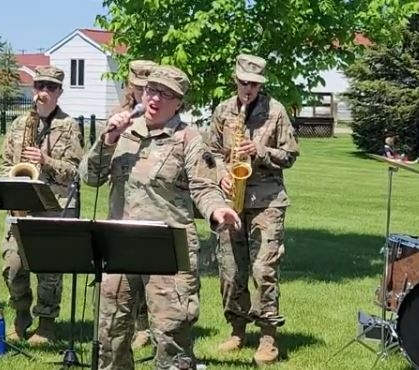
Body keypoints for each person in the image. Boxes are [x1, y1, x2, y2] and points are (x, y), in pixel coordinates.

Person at [80, 65, 241, 370]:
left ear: (179, 102)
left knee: (171, 336)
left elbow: (204, 187)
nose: (155, 99)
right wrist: (108, 139)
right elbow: (89, 177)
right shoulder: (124, 131)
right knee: (110, 332)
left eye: (166, 95)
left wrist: (217, 210)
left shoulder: (189, 139)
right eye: (151, 91)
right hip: (119, 246)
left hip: (168, 248)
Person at [207, 54, 300, 365]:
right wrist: (221, 173)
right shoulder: (222, 110)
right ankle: (236, 329)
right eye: (243, 82)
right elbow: (212, 151)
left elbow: (290, 154)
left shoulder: (275, 111)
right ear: (236, 80)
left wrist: (258, 150)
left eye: (254, 84)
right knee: (231, 271)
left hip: (267, 201)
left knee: (263, 269)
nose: (248, 88)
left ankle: (268, 336)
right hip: (231, 199)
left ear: (261, 84)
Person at [0, 65, 84, 345]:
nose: (44, 92)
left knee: (49, 269)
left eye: (50, 87)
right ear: (33, 89)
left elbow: (75, 171)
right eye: (39, 86)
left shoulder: (70, 126)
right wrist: (10, 190)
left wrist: (46, 161)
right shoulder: (18, 124)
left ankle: (46, 323)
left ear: (59, 91)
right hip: (21, 203)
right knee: (12, 266)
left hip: (55, 204)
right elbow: (5, 164)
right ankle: (21, 314)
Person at [110, 59, 157, 350]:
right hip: (120, 206)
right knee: (121, 277)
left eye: (147, 88)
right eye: (137, 88)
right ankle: (123, 328)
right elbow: (93, 171)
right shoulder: (118, 117)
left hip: (150, 207)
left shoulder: (160, 119)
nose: (142, 94)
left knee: (147, 271)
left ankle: (145, 326)